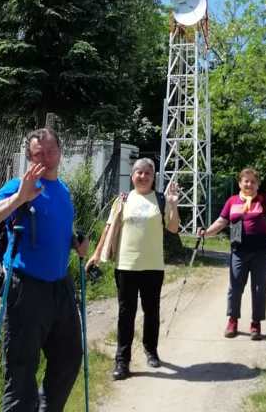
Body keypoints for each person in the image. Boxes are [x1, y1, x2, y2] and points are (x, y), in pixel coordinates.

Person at [0, 127, 88, 412]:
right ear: (29, 157)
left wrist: (75, 242)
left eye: (51, 152)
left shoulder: (63, 190)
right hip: (26, 288)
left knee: (70, 357)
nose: (46, 158)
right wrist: (20, 197)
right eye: (39, 154)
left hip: (60, 286)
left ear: (60, 152)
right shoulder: (20, 185)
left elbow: (55, 227)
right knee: (21, 370)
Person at [86, 157, 179, 380]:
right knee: (126, 314)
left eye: (148, 173)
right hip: (126, 266)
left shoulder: (161, 199)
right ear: (132, 175)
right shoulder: (123, 200)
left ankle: (151, 350)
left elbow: (174, 228)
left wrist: (173, 204)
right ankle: (122, 361)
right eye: (139, 172)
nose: (143, 176)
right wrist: (97, 254)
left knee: (151, 311)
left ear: (153, 176)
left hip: (153, 267)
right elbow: (109, 229)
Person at [198, 161, 266, 341]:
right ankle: (232, 320)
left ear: (257, 184)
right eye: (246, 181)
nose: (249, 184)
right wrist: (207, 233)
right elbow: (222, 221)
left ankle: (256, 323)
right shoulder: (232, 201)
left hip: (261, 251)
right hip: (238, 251)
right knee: (235, 287)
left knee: (259, 288)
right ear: (240, 183)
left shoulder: (262, 200)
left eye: (253, 182)